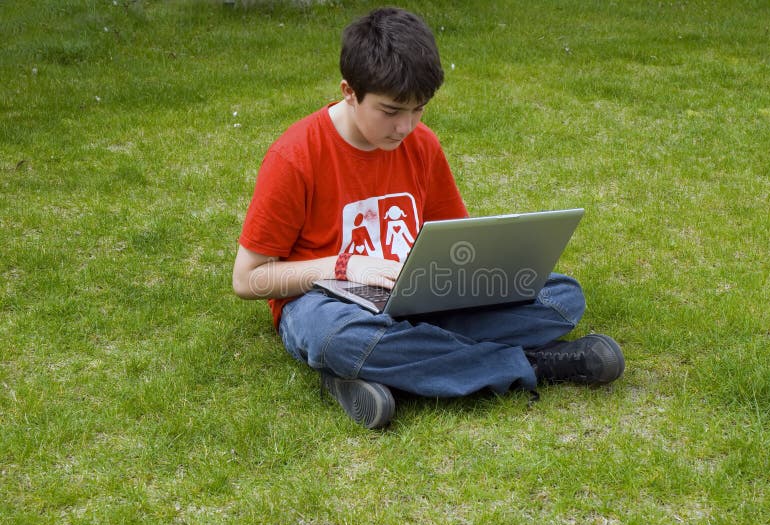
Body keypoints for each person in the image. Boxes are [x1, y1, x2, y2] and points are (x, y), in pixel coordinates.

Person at [233, 7, 624, 429]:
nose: (405, 126)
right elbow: (248, 279)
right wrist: (344, 265)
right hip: (328, 305)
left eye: (418, 109)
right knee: (338, 340)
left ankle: (383, 370)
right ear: (349, 91)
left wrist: (478, 271)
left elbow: (456, 238)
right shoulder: (295, 156)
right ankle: (532, 364)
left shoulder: (423, 144)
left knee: (561, 298)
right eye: (390, 111)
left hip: (416, 297)